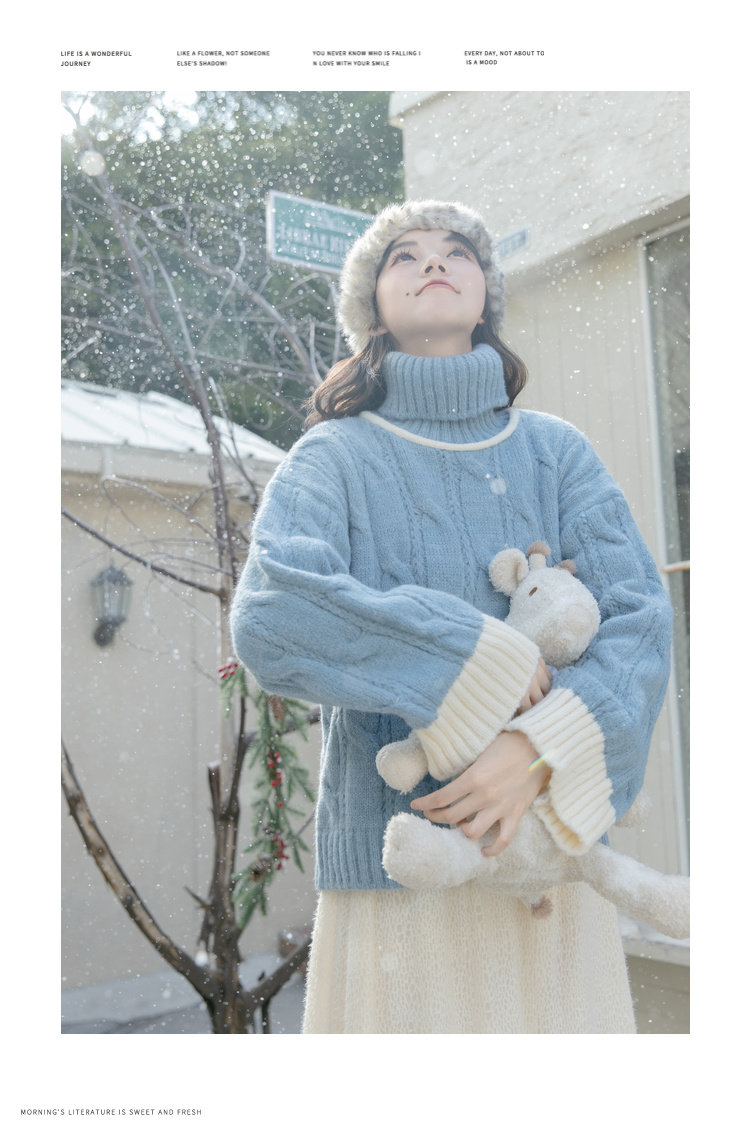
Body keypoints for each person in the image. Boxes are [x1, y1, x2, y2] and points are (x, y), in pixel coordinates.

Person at [230, 200, 673, 1033]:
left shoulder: (556, 451)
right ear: (371, 308)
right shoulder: (334, 454)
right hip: (399, 889)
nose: (433, 261)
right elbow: (272, 610)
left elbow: (640, 620)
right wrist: (477, 658)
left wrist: (542, 747)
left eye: (457, 251)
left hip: (556, 882)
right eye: (404, 255)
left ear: (486, 297)